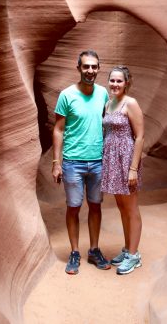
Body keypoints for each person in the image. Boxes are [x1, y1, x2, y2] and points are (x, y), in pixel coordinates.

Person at [52, 50, 111, 275]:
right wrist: (56, 162)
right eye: (86, 66)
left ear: (98, 68)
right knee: (73, 208)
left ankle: (94, 250)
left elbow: (109, 123)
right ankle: (75, 252)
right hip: (73, 163)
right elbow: (58, 130)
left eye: (94, 67)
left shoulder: (103, 93)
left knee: (95, 206)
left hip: (97, 161)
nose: (90, 71)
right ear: (78, 68)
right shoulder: (67, 95)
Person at [101, 65, 144, 275]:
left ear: (126, 83)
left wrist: (133, 169)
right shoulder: (109, 104)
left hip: (126, 160)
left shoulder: (131, 103)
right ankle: (128, 249)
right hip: (112, 160)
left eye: (119, 81)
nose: (115, 84)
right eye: (112, 80)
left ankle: (134, 256)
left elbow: (140, 137)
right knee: (122, 207)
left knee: (131, 208)